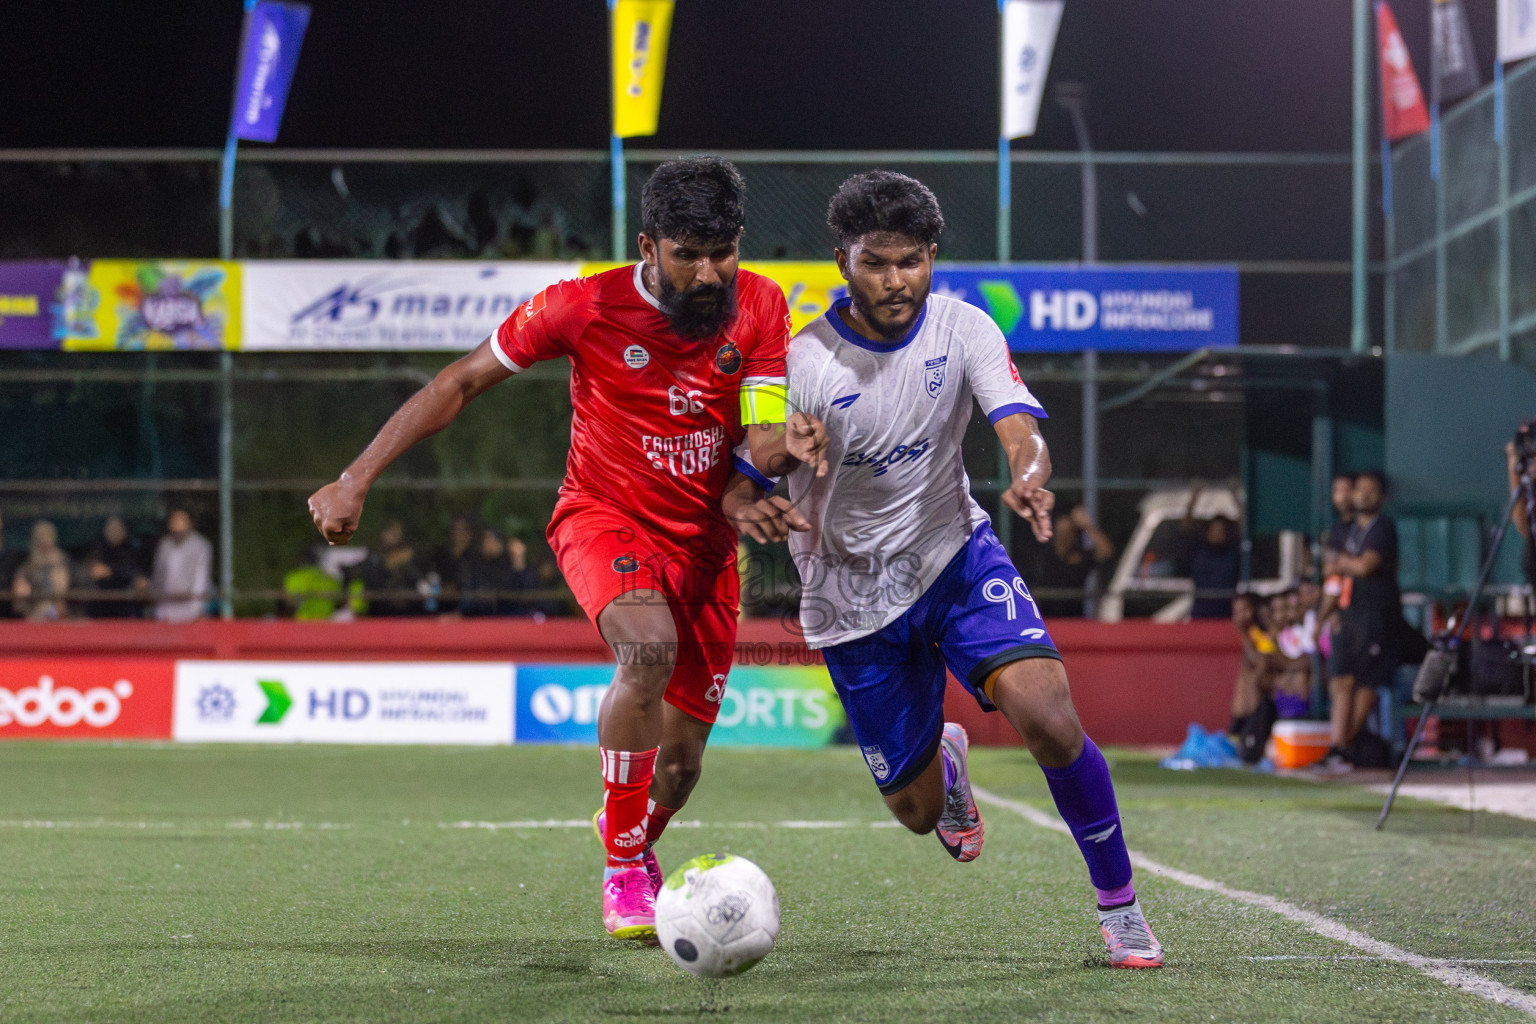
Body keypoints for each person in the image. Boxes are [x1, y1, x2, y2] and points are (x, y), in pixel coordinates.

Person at [306, 157, 827, 942]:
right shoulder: (581, 305)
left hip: (710, 549)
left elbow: (758, 430)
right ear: (649, 246)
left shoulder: (758, 303)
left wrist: (770, 461)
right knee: (645, 654)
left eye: (723, 250)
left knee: (680, 772)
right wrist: (355, 478)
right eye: (689, 253)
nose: (710, 270)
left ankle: (634, 839)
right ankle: (622, 869)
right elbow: (461, 382)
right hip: (604, 516)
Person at [725, 171, 1161, 968]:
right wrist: (762, 479)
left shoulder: (965, 328)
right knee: (918, 813)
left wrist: (1028, 469)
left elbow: (1017, 423)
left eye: (912, 261)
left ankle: (1120, 907)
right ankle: (944, 760)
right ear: (842, 262)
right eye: (876, 263)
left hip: (955, 556)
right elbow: (741, 480)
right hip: (851, 601)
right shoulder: (799, 360)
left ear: (932, 257)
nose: (896, 281)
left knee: (1052, 721)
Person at [1316, 471, 1401, 772]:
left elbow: (1367, 566)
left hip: (1375, 614)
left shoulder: (1383, 528)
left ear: (1381, 497)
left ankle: (1347, 746)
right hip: (1346, 614)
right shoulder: (1343, 530)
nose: (1362, 495)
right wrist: (1322, 617)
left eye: (1370, 490)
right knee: (1339, 679)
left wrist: (1344, 563)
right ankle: (1338, 746)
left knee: (1365, 681)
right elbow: (1331, 573)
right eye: (1359, 489)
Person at [1022, 503, 1116, 618]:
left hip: (1074, 620)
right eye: (1061, 532)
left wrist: (1088, 526)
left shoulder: (1080, 557)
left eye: (1069, 532)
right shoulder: (1044, 555)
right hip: (1046, 619)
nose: (1064, 537)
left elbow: (1106, 552)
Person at [1181, 486, 1240, 619]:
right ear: (1207, 532)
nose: (1217, 534)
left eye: (1221, 530)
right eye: (1214, 530)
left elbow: (1245, 525)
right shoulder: (1200, 549)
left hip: (1227, 610)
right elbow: (1186, 526)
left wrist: (1235, 494)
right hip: (1201, 609)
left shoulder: (1232, 550)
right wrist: (1194, 496)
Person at [353, 519, 427, 617]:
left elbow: (420, 583)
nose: (392, 536)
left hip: (407, 611)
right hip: (379, 610)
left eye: (396, 533)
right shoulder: (374, 557)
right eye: (390, 532)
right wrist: (387, 564)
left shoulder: (410, 557)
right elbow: (369, 580)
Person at [150, 508, 213, 623]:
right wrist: (158, 604)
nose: (177, 524)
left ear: (189, 523)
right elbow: (158, 575)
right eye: (174, 520)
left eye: (181, 521)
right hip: (166, 605)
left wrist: (197, 608)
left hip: (189, 606)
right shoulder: (164, 544)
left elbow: (201, 578)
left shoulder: (200, 545)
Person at [81, 515, 148, 618]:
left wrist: (110, 572)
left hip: (125, 609)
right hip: (99, 608)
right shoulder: (97, 549)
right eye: (110, 528)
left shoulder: (132, 550)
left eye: (117, 529)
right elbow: (91, 571)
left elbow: (136, 575)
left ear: (124, 531)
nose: (113, 532)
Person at [12, 520, 72, 621]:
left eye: (47, 536)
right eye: (40, 537)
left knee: (51, 611)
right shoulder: (29, 564)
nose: (44, 540)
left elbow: (79, 586)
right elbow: (20, 589)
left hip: (63, 609)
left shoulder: (65, 562)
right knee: (44, 610)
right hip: (36, 609)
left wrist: (64, 602)